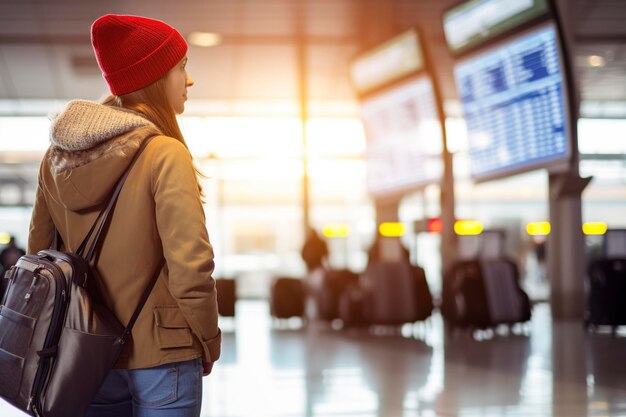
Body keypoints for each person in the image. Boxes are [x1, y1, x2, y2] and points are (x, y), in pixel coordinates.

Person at [28, 14, 220, 417]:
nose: (189, 81)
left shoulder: (55, 159)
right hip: (164, 353)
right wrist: (208, 338)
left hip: (85, 352)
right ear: (152, 77)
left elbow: (41, 255)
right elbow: (190, 267)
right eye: (181, 68)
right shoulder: (164, 153)